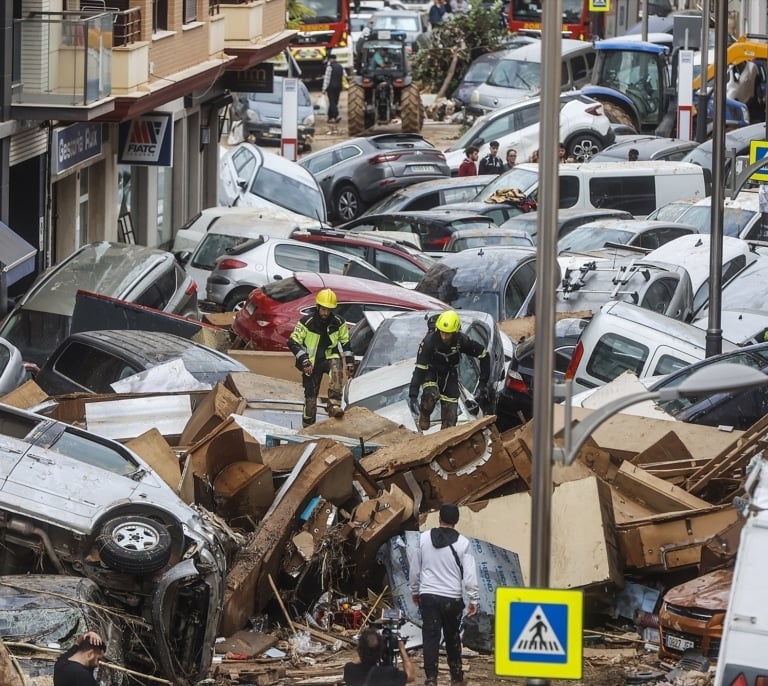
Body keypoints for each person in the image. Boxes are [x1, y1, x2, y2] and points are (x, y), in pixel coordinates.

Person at [409, 503, 478, 686]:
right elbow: (470, 576)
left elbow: (415, 569)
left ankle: (431, 678)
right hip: (452, 598)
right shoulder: (464, 543)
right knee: (452, 637)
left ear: (439, 518)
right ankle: (456, 677)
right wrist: (473, 599)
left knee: (430, 637)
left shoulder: (423, 539)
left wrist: (415, 591)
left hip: (429, 596)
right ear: (456, 521)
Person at [408, 310, 490, 430]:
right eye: (442, 332)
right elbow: (419, 368)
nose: (445, 337)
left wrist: (483, 383)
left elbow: (484, 355)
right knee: (431, 394)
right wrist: (413, 395)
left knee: (450, 418)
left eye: (448, 333)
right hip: (430, 371)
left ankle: (446, 439)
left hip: (449, 373)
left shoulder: (461, 340)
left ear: (455, 332)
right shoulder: (429, 342)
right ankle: (424, 414)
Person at [288, 288, 355, 427]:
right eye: (323, 309)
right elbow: (293, 342)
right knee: (311, 400)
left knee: (336, 371)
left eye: (329, 310)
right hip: (311, 363)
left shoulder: (338, 322)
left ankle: (334, 406)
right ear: (318, 307)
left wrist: (349, 363)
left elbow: (346, 343)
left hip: (330, 357)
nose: (326, 313)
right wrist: (304, 360)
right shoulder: (307, 322)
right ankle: (308, 425)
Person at [343, 627, 416, 686]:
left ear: (359, 649)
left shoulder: (350, 669)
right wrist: (402, 649)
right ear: (380, 650)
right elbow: (411, 676)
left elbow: (356, 659)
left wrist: (366, 648)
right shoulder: (389, 673)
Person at [322, 53, 344, 124]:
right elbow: (345, 75)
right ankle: (330, 117)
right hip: (339, 86)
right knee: (335, 102)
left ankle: (336, 116)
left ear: (330, 59)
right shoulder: (340, 66)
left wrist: (324, 88)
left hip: (331, 87)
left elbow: (327, 79)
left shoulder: (329, 67)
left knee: (332, 102)